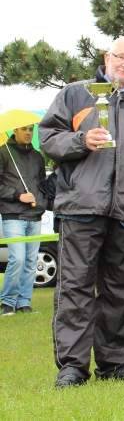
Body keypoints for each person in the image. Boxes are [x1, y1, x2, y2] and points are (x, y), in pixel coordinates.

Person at [39, 36, 124, 388]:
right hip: (81, 209)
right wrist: (81, 141)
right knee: (75, 289)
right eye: (120, 57)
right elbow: (47, 136)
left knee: (119, 290)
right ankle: (72, 368)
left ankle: (114, 364)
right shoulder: (75, 94)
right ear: (106, 57)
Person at [0, 125, 46, 316]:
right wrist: (18, 195)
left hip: (34, 216)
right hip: (13, 215)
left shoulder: (37, 157)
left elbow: (43, 184)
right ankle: (7, 302)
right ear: (15, 131)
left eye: (31, 130)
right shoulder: (3, 153)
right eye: (24, 129)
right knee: (17, 259)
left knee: (30, 261)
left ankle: (24, 302)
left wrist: (41, 203)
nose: (28, 133)